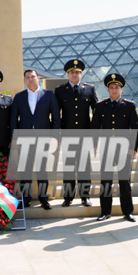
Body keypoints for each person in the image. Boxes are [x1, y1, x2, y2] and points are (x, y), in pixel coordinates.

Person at [91, 73, 138, 222]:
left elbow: (136, 128)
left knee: (124, 182)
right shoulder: (100, 106)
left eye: (116, 87)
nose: (114, 90)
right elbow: (95, 127)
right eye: (111, 87)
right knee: (106, 182)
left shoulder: (130, 106)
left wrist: (133, 148)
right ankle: (105, 212)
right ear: (108, 90)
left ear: (121, 89)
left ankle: (128, 212)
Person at [10, 69, 61, 209]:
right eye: (27, 77)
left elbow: (56, 118)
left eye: (33, 76)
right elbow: (14, 119)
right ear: (25, 80)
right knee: (25, 170)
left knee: (42, 169)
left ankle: (43, 198)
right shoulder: (19, 96)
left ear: (38, 78)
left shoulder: (49, 95)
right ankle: (26, 199)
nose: (30, 79)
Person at [54, 59, 98, 207]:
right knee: (69, 167)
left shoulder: (89, 89)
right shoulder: (60, 90)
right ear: (68, 74)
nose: (75, 74)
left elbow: (96, 111)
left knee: (85, 166)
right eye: (72, 72)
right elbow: (56, 114)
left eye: (77, 72)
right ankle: (68, 196)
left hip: (85, 134)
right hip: (67, 134)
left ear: (81, 74)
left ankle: (85, 196)